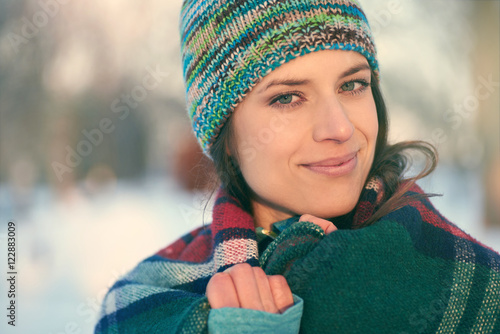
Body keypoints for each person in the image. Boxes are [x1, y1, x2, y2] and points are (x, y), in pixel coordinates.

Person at [94, 0, 500, 333]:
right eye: (287, 98)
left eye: (352, 84)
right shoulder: (148, 305)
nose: (339, 127)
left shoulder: (468, 279)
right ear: (226, 137)